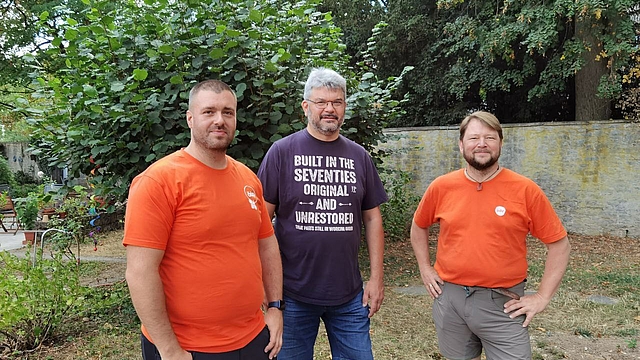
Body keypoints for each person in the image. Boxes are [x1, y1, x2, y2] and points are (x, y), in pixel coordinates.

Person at [123, 79, 283, 360]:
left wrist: (275, 306)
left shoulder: (248, 179)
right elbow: (140, 272)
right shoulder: (158, 181)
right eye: (209, 112)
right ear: (190, 118)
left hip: (254, 339)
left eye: (228, 112)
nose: (220, 120)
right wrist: (169, 350)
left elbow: (266, 244)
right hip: (188, 348)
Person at [410, 111, 571, 359]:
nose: (482, 144)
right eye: (474, 138)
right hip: (450, 300)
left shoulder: (525, 190)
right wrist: (425, 267)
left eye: (490, 137)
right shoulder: (442, 186)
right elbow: (419, 225)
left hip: (503, 304)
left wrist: (541, 297)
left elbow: (560, 244)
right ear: (461, 144)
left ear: (501, 143)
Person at [257, 68, 388, 360]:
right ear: (306, 106)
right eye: (321, 102)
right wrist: (266, 290)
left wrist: (376, 278)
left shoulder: (359, 157)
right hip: (292, 294)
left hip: (349, 294)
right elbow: (260, 223)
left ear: (344, 107)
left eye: (337, 102)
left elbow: (372, 218)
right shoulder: (282, 152)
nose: (330, 109)